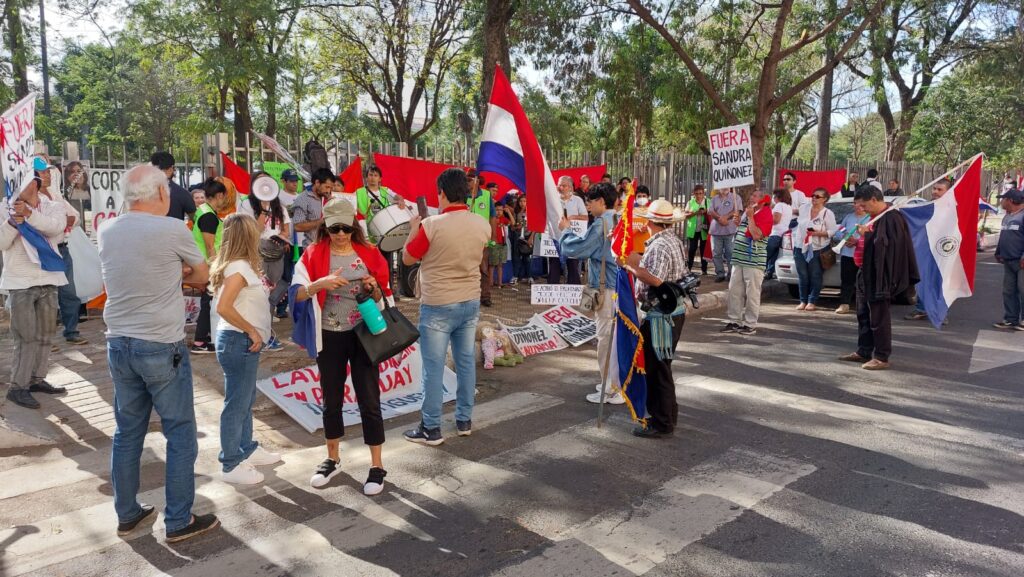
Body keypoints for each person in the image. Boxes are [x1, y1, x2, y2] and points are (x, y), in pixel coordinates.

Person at [98, 164, 219, 542]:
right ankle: (179, 519)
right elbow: (202, 275)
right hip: (160, 344)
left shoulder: (107, 229)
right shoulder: (171, 229)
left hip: (118, 341)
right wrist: (175, 273)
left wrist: (166, 272)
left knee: (127, 432)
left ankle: (127, 512)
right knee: (180, 432)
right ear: (162, 193)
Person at [291, 198, 392, 494]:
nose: (339, 234)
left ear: (353, 226)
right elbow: (296, 295)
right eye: (333, 228)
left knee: (369, 399)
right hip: (330, 335)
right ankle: (332, 458)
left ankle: (376, 465)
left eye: (345, 228)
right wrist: (318, 285)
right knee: (331, 399)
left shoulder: (370, 253)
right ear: (325, 227)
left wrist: (373, 288)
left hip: (364, 334)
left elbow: (385, 295)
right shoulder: (313, 254)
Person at [402, 168, 491, 445]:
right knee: (465, 363)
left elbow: (407, 258)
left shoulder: (432, 225)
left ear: (441, 193)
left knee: (433, 368)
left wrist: (413, 229)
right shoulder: (482, 224)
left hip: (438, 304)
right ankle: (464, 420)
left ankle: (431, 427)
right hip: (469, 301)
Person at [210, 214, 281, 485]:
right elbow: (224, 307)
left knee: (244, 398)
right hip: (239, 340)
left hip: (240, 341)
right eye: (255, 232)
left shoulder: (239, 265)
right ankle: (230, 462)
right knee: (237, 403)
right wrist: (252, 330)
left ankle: (246, 448)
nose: (259, 235)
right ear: (246, 237)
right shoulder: (238, 267)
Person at [1, 177, 69, 409]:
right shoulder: (4, 207)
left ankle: (37, 379)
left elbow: (56, 230)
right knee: (25, 336)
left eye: (26, 180)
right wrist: (12, 222)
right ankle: (18, 387)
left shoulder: (53, 206)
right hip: (20, 281)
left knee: (46, 334)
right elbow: (2, 243)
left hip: (49, 278)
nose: (21, 185)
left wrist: (29, 215)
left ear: (36, 185)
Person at [622, 199, 688, 438]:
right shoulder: (672, 240)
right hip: (672, 312)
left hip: (661, 315)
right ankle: (668, 415)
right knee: (662, 367)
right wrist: (632, 258)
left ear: (650, 222)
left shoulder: (659, 246)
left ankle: (662, 422)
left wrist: (630, 268)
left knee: (657, 368)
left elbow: (655, 278)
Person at [839, 187, 918, 370]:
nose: (863, 209)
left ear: (874, 200)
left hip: (880, 274)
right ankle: (863, 350)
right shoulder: (876, 216)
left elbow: (889, 247)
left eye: (864, 205)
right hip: (864, 270)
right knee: (863, 314)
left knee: (879, 316)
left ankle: (882, 356)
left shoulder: (891, 217)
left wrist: (867, 235)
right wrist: (863, 237)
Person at [559, 182, 621, 404]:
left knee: (605, 339)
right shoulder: (618, 218)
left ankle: (611, 388)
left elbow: (578, 248)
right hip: (618, 286)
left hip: (607, 288)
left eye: (590, 201)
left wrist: (565, 231)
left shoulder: (602, 224)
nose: (588, 206)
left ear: (601, 201)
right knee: (613, 340)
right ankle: (613, 382)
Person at [35, 156, 88, 346]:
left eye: (48, 171)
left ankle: (71, 330)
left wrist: (62, 222)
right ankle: (45, 339)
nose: (48, 175)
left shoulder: (54, 194)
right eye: (43, 172)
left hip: (62, 249)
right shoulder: (32, 199)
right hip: (44, 250)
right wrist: (63, 222)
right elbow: (46, 226)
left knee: (69, 293)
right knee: (45, 296)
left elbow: (76, 217)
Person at [238, 174, 291, 347]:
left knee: (272, 291)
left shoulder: (280, 207)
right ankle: (257, 333)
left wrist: (280, 239)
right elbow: (254, 230)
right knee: (258, 293)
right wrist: (263, 210)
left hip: (275, 254)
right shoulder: (246, 204)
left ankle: (266, 332)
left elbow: (286, 231)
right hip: (256, 253)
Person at [189, 178, 233, 354]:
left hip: (206, 263)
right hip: (208, 265)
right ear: (219, 195)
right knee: (209, 302)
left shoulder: (204, 212)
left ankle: (204, 337)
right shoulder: (208, 216)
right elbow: (209, 246)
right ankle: (200, 341)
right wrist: (216, 271)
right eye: (224, 197)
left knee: (209, 302)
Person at [721, 192, 773, 335]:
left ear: (763, 200)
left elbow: (756, 235)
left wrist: (750, 217)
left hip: (754, 260)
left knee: (752, 294)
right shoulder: (749, 212)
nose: (751, 197)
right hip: (739, 258)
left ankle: (750, 324)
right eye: (752, 195)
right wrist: (739, 223)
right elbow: (743, 231)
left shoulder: (766, 214)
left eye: (756, 196)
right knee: (734, 291)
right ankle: (734, 321)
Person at [354, 164, 407, 292]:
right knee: (369, 264)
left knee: (386, 263)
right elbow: (353, 207)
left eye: (375, 175)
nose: (372, 178)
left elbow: (397, 196)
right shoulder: (359, 192)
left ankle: (387, 290)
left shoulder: (385, 191)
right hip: (367, 234)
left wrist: (400, 201)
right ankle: (371, 290)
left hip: (385, 232)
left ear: (380, 178)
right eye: (370, 175)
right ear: (366, 177)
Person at [905, 180, 952, 321]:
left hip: (944, 252)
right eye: (934, 188)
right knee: (923, 279)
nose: (935, 192)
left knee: (940, 282)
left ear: (947, 192)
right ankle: (921, 309)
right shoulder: (926, 207)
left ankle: (940, 312)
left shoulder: (952, 209)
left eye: (939, 189)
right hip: (925, 250)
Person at [793, 187, 837, 311]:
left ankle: (812, 300)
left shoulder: (828, 213)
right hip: (800, 246)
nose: (814, 198)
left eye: (817, 196)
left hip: (819, 248)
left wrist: (818, 233)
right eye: (813, 195)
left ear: (825, 199)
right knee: (802, 275)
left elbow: (833, 231)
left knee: (815, 275)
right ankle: (803, 301)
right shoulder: (804, 208)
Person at [993, 188, 1024, 331]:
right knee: (1008, 290)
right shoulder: (1007, 216)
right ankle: (1011, 319)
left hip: (1021, 261)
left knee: (1023, 290)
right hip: (1008, 260)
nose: (1001, 201)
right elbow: (1003, 236)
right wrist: (998, 251)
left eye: (1003, 199)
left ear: (1010, 200)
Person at [467, 169, 497, 306]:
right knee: (466, 268)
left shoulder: (486, 195)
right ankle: (468, 297)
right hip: (465, 238)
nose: (467, 182)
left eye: (470, 179)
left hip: (483, 239)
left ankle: (485, 297)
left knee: (483, 268)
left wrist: (493, 235)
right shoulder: (461, 195)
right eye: (466, 180)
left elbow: (493, 216)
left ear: (478, 181)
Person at [550, 175, 586, 285]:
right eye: (559, 185)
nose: (560, 188)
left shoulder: (577, 200)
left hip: (572, 238)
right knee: (554, 264)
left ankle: (574, 289)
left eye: (564, 185)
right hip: (555, 238)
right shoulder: (553, 200)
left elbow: (585, 217)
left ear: (570, 187)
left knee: (572, 264)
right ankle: (553, 288)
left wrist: (573, 217)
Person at [835, 197, 867, 315]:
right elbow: (839, 231)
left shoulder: (870, 218)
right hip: (847, 255)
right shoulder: (848, 217)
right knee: (846, 280)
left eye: (860, 203)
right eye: (855, 203)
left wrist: (856, 241)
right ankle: (844, 304)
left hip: (863, 256)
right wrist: (844, 237)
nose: (857, 206)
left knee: (864, 282)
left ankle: (864, 305)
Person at [292, 168, 337, 249]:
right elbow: (297, 226)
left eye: (330, 188)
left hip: (331, 247)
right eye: (327, 187)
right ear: (317, 183)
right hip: (312, 248)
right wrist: (321, 221)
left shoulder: (329, 197)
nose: (328, 190)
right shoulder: (303, 199)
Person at [151, 151, 196, 222]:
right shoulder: (182, 193)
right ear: (171, 168)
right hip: (175, 232)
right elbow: (195, 219)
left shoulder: (142, 191)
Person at [708, 187, 740, 282]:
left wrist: (725, 217)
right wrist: (719, 218)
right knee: (716, 253)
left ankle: (731, 274)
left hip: (730, 230)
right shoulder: (714, 199)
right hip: (716, 231)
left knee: (730, 253)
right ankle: (720, 273)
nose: (725, 187)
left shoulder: (736, 197)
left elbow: (737, 210)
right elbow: (711, 211)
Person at [765, 188, 793, 280]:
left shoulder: (779, 205)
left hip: (775, 234)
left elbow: (776, 220)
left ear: (778, 197)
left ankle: (759, 271)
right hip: (782, 234)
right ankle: (769, 272)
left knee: (765, 254)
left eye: (774, 196)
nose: (773, 198)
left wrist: (766, 218)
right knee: (774, 256)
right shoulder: (788, 207)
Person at [683, 184, 710, 275]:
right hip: (693, 230)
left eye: (700, 193)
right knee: (692, 250)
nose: (699, 195)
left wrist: (706, 211)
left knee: (703, 250)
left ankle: (704, 269)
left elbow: (712, 213)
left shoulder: (708, 202)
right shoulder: (690, 202)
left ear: (703, 193)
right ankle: (689, 268)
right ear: (694, 193)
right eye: (697, 193)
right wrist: (695, 213)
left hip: (704, 230)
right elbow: (686, 215)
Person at [510, 195, 533, 284]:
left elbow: (535, 227)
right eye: (521, 201)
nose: (522, 203)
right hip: (518, 237)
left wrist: (531, 238)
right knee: (516, 257)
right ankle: (516, 276)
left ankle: (529, 276)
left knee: (527, 257)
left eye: (524, 201)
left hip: (528, 236)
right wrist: (516, 227)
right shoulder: (516, 213)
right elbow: (513, 227)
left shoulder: (531, 212)